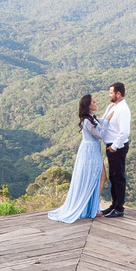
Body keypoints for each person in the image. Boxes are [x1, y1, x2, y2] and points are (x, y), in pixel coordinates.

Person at [47, 94, 112, 224]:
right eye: (94, 101)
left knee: (100, 177)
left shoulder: (91, 118)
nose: (96, 102)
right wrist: (108, 120)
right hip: (89, 153)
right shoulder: (86, 120)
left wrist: (109, 111)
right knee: (97, 177)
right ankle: (93, 209)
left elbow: (101, 121)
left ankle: (94, 207)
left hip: (93, 151)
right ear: (88, 105)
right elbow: (98, 134)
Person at [101, 82, 130, 218]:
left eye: (111, 93)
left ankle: (119, 208)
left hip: (117, 147)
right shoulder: (115, 107)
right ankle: (114, 205)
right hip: (112, 147)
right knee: (113, 176)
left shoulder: (123, 110)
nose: (109, 95)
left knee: (118, 177)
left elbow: (124, 132)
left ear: (118, 94)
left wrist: (113, 147)